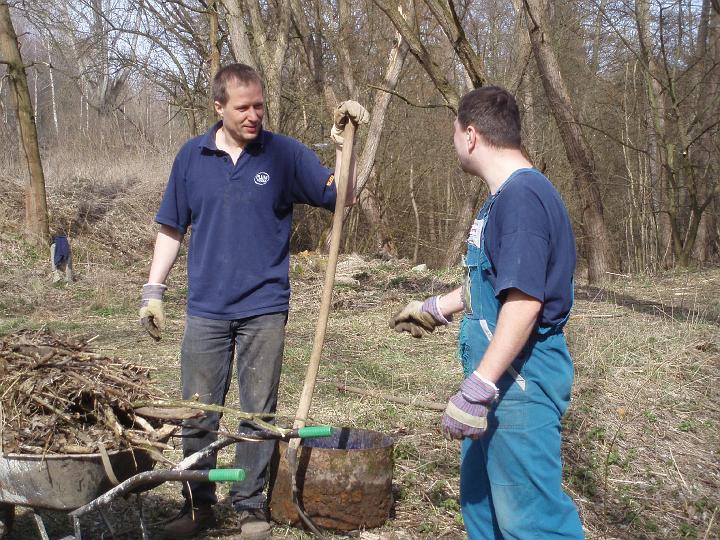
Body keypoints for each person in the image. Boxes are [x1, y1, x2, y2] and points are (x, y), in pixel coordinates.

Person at [139, 63, 367, 540]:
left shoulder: (282, 155)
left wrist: (347, 149)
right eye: (242, 108)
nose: (253, 115)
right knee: (198, 410)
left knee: (257, 412)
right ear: (218, 107)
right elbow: (170, 228)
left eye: (259, 106)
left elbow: (341, 198)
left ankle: (249, 507)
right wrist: (153, 291)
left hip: (264, 307)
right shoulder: (191, 157)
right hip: (205, 308)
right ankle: (197, 506)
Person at [391, 86, 584, 539]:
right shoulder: (502, 198)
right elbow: (495, 281)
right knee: (483, 510)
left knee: (531, 523)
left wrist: (478, 388)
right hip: (497, 386)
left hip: (518, 385)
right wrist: (434, 307)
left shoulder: (522, 199)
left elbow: (524, 302)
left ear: (471, 135)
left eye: (455, 133)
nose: (454, 142)